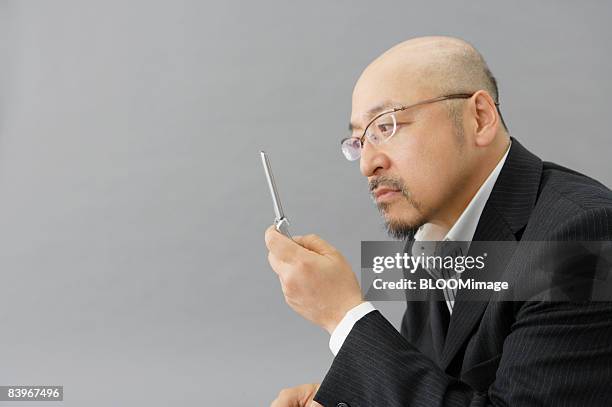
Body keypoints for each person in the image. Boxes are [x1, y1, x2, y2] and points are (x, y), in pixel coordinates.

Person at [264, 36, 612, 406]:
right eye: (359, 141)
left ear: (479, 117)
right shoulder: (429, 243)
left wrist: (344, 315)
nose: (368, 164)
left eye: (386, 126)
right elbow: (440, 391)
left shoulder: (584, 238)